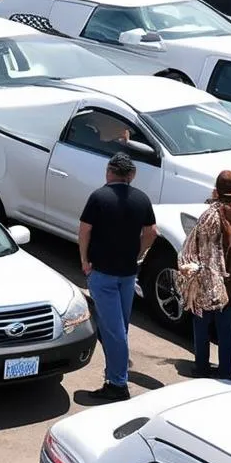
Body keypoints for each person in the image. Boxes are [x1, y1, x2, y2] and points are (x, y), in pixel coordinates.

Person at [78, 152, 158, 403]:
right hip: (127, 274)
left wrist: (84, 261)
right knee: (119, 327)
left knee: (113, 331)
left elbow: (84, 231)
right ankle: (115, 376)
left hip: (102, 273)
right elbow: (151, 233)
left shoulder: (98, 197)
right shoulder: (142, 199)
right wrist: (138, 253)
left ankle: (117, 383)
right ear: (131, 175)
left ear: (109, 171)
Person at [177, 170, 231, 379]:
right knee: (224, 326)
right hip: (227, 280)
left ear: (216, 189)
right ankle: (226, 370)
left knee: (201, 325)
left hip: (208, 279)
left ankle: (202, 367)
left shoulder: (209, 217)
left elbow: (202, 253)